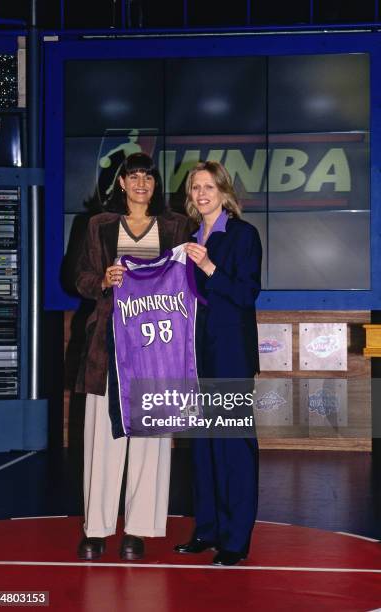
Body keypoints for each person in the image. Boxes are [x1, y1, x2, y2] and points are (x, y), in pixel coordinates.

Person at [75, 152, 193, 561]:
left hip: (157, 348)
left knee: (149, 442)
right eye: (133, 176)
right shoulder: (98, 225)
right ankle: (96, 529)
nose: (141, 182)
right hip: (108, 347)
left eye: (148, 176)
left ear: (155, 184)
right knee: (102, 441)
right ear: (121, 184)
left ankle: (138, 530)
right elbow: (81, 278)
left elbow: (187, 283)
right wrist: (103, 279)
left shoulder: (176, 226)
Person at [174, 161, 262, 566]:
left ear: (224, 192)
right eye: (195, 187)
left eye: (209, 186)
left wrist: (209, 266)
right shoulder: (186, 239)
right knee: (203, 449)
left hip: (229, 354)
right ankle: (207, 530)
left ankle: (236, 538)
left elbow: (246, 293)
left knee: (233, 448)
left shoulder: (243, 235)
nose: (202, 193)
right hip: (195, 356)